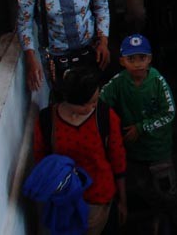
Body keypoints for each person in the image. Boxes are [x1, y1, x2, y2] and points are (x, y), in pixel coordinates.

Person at [99, 34, 177, 232]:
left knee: (168, 192)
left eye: (142, 58)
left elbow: (169, 113)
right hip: (134, 153)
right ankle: (159, 215)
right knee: (144, 188)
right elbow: (101, 101)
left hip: (158, 151)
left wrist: (141, 127)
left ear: (150, 59)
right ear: (122, 61)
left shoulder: (157, 82)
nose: (137, 64)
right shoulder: (118, 83)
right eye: (131, 59)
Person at [33, 67, 127, 234]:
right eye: (90, 103)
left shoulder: (105, 116)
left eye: (96, 100)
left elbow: (118, 159)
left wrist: (123, 200)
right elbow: (41, 160)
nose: (95, 106)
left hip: (101, 199)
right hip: (65, 206)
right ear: (73, 101)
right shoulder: (47, 121)